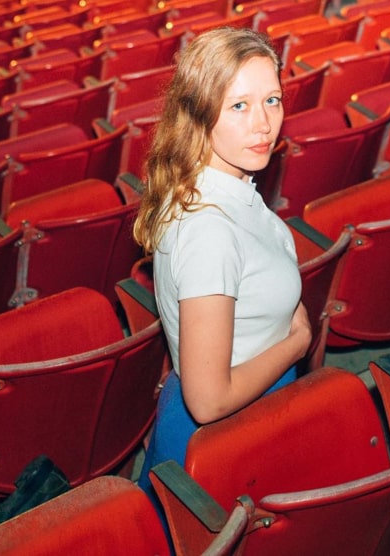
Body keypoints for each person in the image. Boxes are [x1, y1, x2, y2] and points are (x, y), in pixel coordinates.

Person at [133, 26, 312, 510]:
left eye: (272, 100)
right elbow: (209, 400)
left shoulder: (227, 183)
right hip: (214, 439)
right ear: (199, 113)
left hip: (250, 408)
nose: (263, 124)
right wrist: (298, 341)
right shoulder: (208, 230)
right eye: (239, 106)